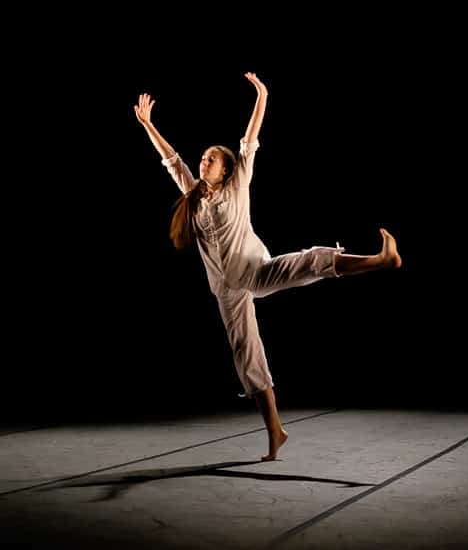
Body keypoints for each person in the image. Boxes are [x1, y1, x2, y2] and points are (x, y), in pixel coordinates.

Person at [134, 73, 401, 461]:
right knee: (248, 357)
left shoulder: (238, 184)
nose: (203, 160)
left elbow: (249, 143)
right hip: (228, 290)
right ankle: (276, 430)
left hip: (256, 269)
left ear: (225, 170)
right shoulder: (192, 196)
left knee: (307, 259)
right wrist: (148, 124)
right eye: (204, 157)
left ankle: (379, 260)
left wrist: (262, 96)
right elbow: (170, 160)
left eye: (211, 159)